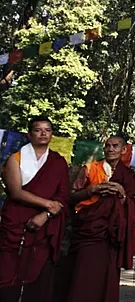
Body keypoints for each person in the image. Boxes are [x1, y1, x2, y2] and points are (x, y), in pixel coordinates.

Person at [0, 118, 69, 302]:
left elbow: (62, 196)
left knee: (39, 276)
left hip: (44, 225)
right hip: (16, 220)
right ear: (29, 134)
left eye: (47, 130)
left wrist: (45, 215)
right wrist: (47, 204)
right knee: (8, 272)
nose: (43, 133)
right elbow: (15, 192)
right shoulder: (16, 159)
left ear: (52, 134)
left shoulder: (58, 162)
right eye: (38, 130)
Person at [64, 134, 135, 302]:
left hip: (111, 232)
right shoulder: (90, 168)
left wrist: (121, 192)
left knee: (107, 275)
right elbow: (71, 197)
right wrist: (93, 190)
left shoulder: (128, 175)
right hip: (89, 229)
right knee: (83, 274)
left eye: (115, 146)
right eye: (107, 146)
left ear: (123, 150)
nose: (110, 149)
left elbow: (130, 202)